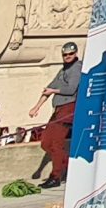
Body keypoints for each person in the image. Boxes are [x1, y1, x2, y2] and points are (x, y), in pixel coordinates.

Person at [32, 42, 84, 188]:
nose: (67, 57)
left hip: (68, 109)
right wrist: (36, 107)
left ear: (75, 54)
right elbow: (50, 87)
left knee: (56, 143)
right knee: (46, 142)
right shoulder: (63, 70)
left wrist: (53, 91)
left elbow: (70, 89)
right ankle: (68, 167)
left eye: (70, 54)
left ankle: (55, 176)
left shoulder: (76, 69)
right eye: (65, 55)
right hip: (58, 109)